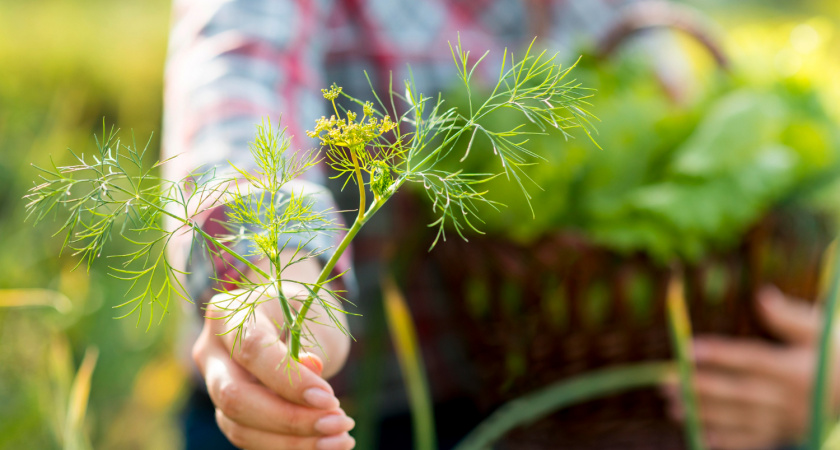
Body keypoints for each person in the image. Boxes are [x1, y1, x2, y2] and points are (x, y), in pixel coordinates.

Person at [162, 0, 835, 448]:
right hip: (327, 415)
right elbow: (237, 102)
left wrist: (820, 379)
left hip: (559, 415)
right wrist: (275, 278)